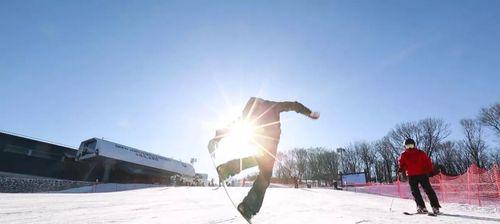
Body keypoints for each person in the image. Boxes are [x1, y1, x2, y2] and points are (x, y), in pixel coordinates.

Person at [208, 97, 319, 220]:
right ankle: (247, 206)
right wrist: (309, 113)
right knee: (265, 176)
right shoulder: (267, 108)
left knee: (257, 161)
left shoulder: (269, 107)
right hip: (268, 143)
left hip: (263, 142)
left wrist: (217, 137)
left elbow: (293, 105)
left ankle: (226, 169)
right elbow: (293, 105)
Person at [398, 138, 441, 214]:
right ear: (405, 147)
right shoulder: (403, 155)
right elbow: (402, 164)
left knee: (428, 190)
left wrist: (430, 171)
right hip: (411, 175)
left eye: (411, 145)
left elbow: (427, 162)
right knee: (415, 192)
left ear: (414, 145)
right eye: (408, 146)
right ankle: (421, 207)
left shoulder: (420, 153)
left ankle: (435, 207)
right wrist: (401, 169)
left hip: (422, 174)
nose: (410, 148)